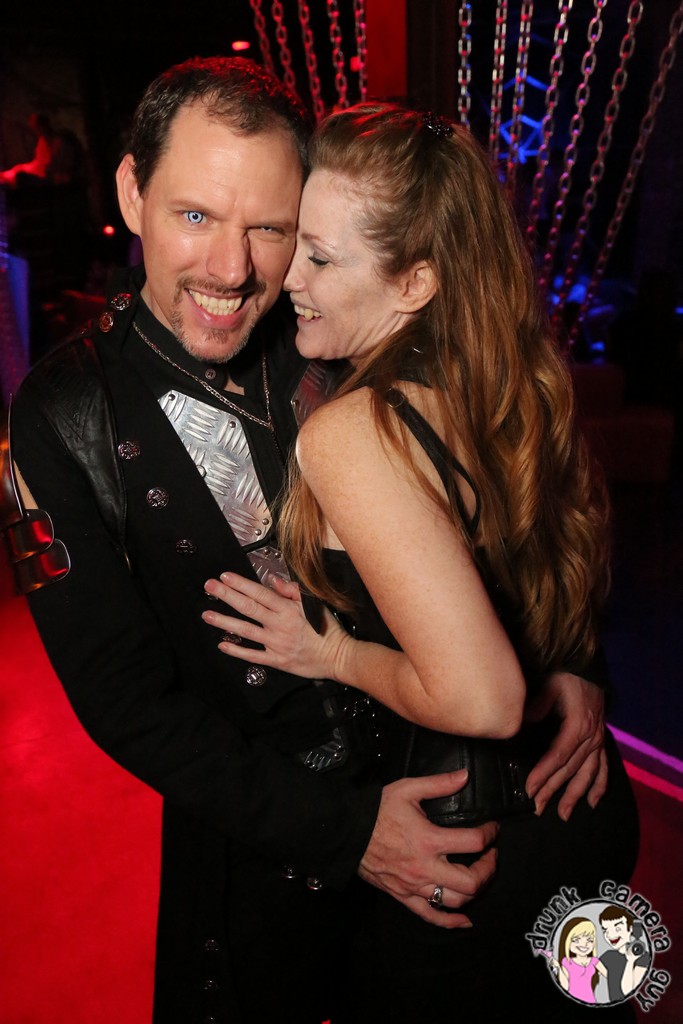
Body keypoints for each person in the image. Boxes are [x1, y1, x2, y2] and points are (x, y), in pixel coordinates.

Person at [0, 58, 615, 1023]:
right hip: (272, 851)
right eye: (194, 215)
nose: (232, 269)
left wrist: (570, 660)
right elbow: (123, 700)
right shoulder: (62, 414)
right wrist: (348, 832)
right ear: (129, 193)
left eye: (271, 228)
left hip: (479, 813)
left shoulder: (334, 317)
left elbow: (520, 478)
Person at [201, 102, 640, 1022]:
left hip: (471, 863)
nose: (288, 279)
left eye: (322, 258)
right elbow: (539, 586)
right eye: (297, 245)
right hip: (586, 816)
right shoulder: (509, 384)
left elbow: (484, 699)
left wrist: (334, 654)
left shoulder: (354, 431)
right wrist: (575, 670)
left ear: (414, 283)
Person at [599, 906, 651, 1001]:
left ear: (630, 929)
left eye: (618, 929)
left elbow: (627, 992)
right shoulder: (608, 956)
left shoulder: (643, 957)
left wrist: (630, 961)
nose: (610, 935)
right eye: (605, 930)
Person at [551, 917, 607, 1003]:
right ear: (567, 941)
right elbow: (565, 987)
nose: (584, 944)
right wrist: (558, 967)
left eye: (590, 940)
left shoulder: (594, 961)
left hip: (590, 1001)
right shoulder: (566, 962)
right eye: (576, 940)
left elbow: (610, 976)